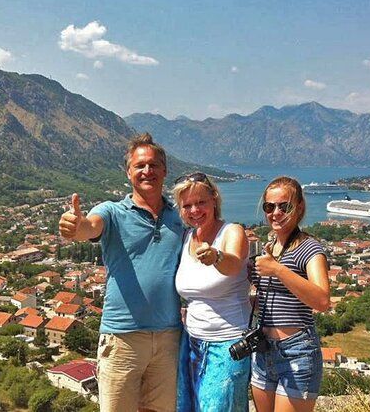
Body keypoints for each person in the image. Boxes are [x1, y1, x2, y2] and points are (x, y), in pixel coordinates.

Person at [58, 133, 184, 412]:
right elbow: (89, 227)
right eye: (139, 166)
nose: (147, 171)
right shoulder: (112, 212)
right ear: (129, 172)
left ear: (165, 170)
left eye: (153, 165)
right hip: (122, 338)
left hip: (168, 338)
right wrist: (75, 227)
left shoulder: (180, 217)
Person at [172, 172, 251, 412]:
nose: (195, 210)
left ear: (214, 199)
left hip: (228, 343)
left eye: (201, 202)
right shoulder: (186, 238)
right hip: (191, 341)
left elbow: (234, 263)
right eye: (187, 205)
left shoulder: (232, 232)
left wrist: (216, 256)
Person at [251, 176, 331, 412]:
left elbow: (322, 300)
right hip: (264, 351)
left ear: (299, 207)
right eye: (269, 206)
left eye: (283, 206)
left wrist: (277, 269)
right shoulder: (269, 247)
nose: (275, 212)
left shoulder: (310, 248)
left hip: (297, 351)